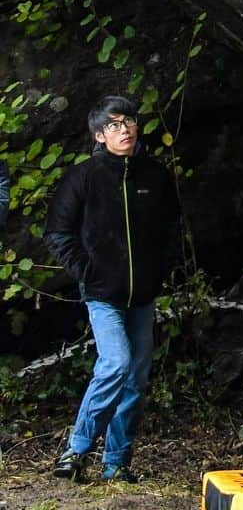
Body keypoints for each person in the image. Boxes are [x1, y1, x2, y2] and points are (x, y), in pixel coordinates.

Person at [45, 96, 180, 484]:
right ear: (100, 134)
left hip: (143, 296)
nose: (124, 129)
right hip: (103, 295)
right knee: (116, 364)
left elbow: (172, 230)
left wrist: (160, 270)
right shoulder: (84, 176)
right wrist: (87, 272)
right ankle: (77, 449)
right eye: (114, 124)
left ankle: (116, 462)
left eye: (129, 122)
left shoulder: (154, 175)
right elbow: (57, 232)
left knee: (136, 379)